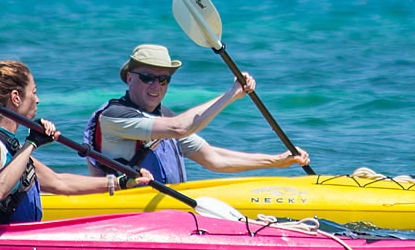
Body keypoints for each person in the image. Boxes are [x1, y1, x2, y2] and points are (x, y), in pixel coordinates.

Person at [0, 53, 151, 227]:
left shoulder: (10, 149)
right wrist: (32, 143)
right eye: (34, 92)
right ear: (16, 98)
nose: (37, 100)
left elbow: (59, 183)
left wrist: (120, 182)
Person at [83, 44, 309, 185]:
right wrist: (231, 94)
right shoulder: (115, 116)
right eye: (147, 77)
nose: (156, 85)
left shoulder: (165, 117)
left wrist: (277, 161)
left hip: (167, 210)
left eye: (164, 79)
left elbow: (215, 159)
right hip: (124, 208)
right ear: (130, 78)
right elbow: (181, 128)